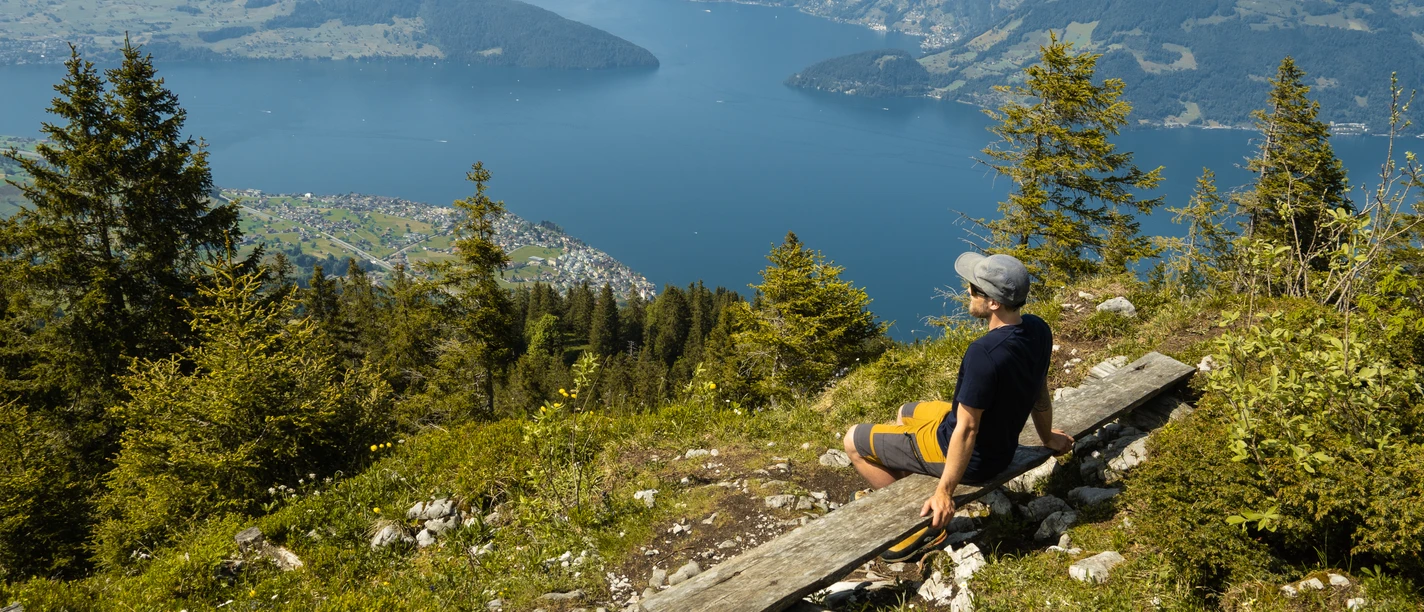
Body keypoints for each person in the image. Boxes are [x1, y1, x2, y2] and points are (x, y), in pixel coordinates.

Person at [842, 252, 1074, 561]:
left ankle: (918, 524)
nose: (968, 291)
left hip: (975, 460)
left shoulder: (984, 354)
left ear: (993, 303)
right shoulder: (1038, 329)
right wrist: (1047, 438)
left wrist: (945, 492)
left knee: (853, 440)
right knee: (905, 413)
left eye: (975, 288)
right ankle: (902, 477)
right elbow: (1038, 388)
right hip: (998, 445)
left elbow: (967, 429)